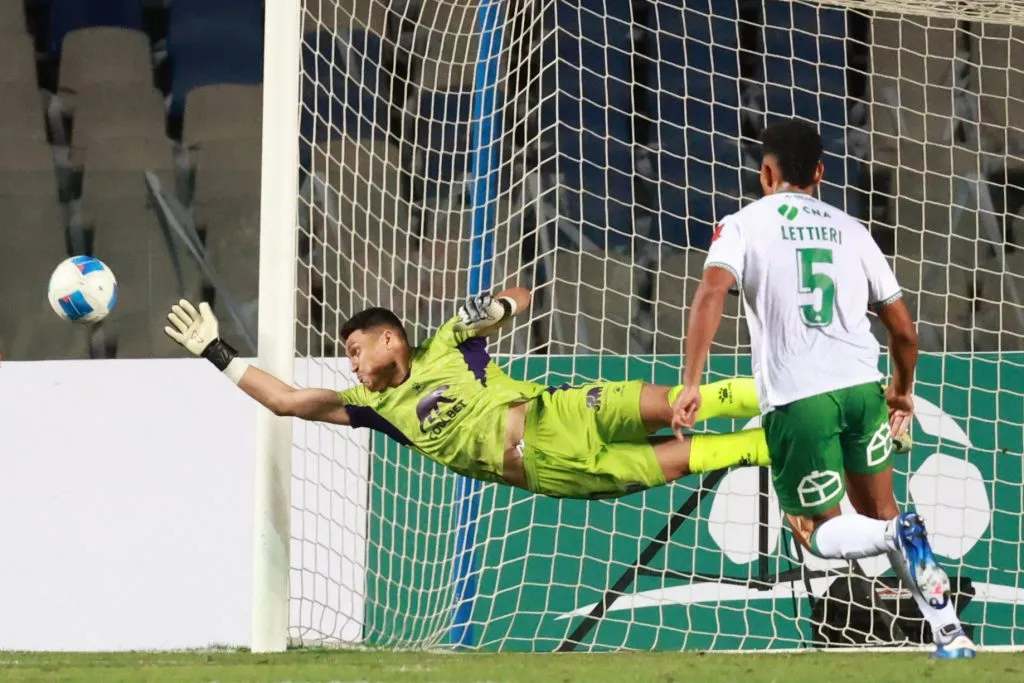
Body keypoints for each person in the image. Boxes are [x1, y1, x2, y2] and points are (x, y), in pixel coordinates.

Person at [671, 119, 976, 658]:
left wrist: (691, 382)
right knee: (883, 512)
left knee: (816, 529)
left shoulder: (741, 224)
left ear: (766, 172)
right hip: (863, 388)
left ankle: (896, 545)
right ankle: (947, 628)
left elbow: (710, 296)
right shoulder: (853, 230)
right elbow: (904, 332)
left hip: (799, 398)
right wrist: (901, 392)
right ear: (820, 172)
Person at [163, 289, 769, 501]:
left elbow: (523, 295)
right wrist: (219, 353)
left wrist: (497, 309)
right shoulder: (375, 410)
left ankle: (786, 392)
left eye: (354, 350)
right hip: (551, 472)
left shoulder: (450, 344)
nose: (349, 362)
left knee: (681, 401)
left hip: (559, 409)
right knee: (695, 456)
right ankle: (779, 439)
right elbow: (288, 400)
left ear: (388, 337)